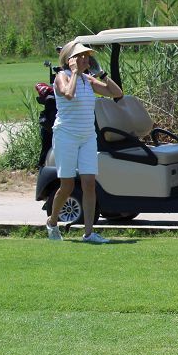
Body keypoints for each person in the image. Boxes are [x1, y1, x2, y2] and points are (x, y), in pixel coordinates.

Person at [46, 40, 124, 243]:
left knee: (89, 184)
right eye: (81, 56)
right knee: (68, 186)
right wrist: (74, 73)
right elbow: (69, 94)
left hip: (88, 136)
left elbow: (117, 93)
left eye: (87, 56)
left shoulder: (89, 80)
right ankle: (52, 222)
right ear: (71, 60)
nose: (86, 59)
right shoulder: (61, 77)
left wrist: (102, 74)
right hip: (66, 136)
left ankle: (88, 233)